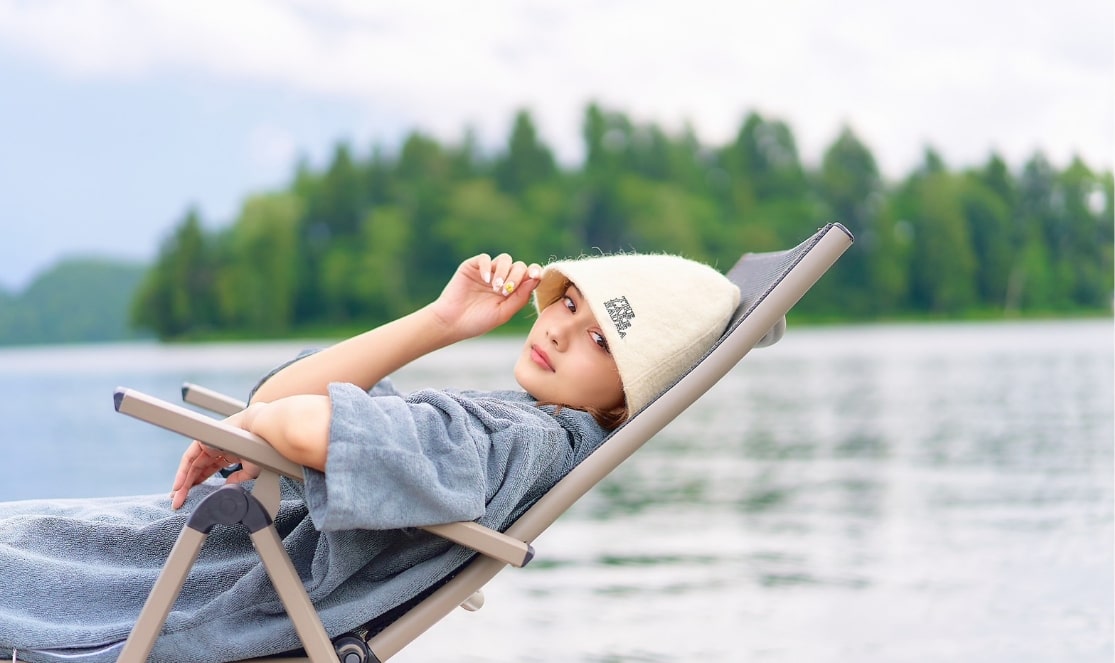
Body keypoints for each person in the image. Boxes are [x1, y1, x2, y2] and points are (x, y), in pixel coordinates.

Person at [0, 251, 740, 663]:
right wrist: (441, 321)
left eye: (603, 341)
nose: (561, 329)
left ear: (625, 396)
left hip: (207, 593)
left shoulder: (517, 441)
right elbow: (284, 393)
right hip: (196, 564)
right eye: (570, 302)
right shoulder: (518, 416)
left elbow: (302, 424)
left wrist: (265, 423)